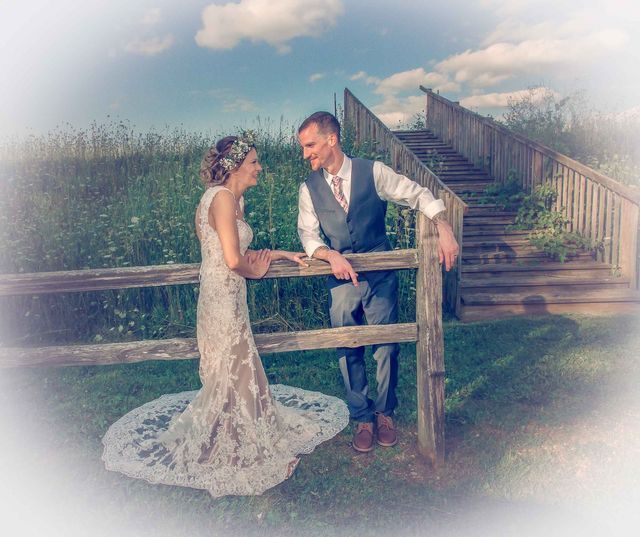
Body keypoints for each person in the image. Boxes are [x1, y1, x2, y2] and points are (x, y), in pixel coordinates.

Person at [102, 132, 348, 497]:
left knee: (235, 369)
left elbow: (237, 251)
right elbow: (234, 261)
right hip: (221, 300)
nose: (259, 168)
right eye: (253, 162)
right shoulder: (220, 199)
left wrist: (280, 255)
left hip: (230, 296)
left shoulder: (234, 201)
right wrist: (257, 271)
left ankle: (239, 434)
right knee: (233, 369)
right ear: (234, 167)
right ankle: (238, 451)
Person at [297, 112, 459, 453]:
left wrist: (443, 227)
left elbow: (417, 194)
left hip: (381, 273)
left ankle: (385, 414)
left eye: (310, 145)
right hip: (340, 279)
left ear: (331, 139)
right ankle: (363, 417)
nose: (305, 154)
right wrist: (329, 255)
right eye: (303, 148)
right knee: (348, 345)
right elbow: (308, 236)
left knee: (387, 346)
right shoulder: (308, 188)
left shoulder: (373, 171)